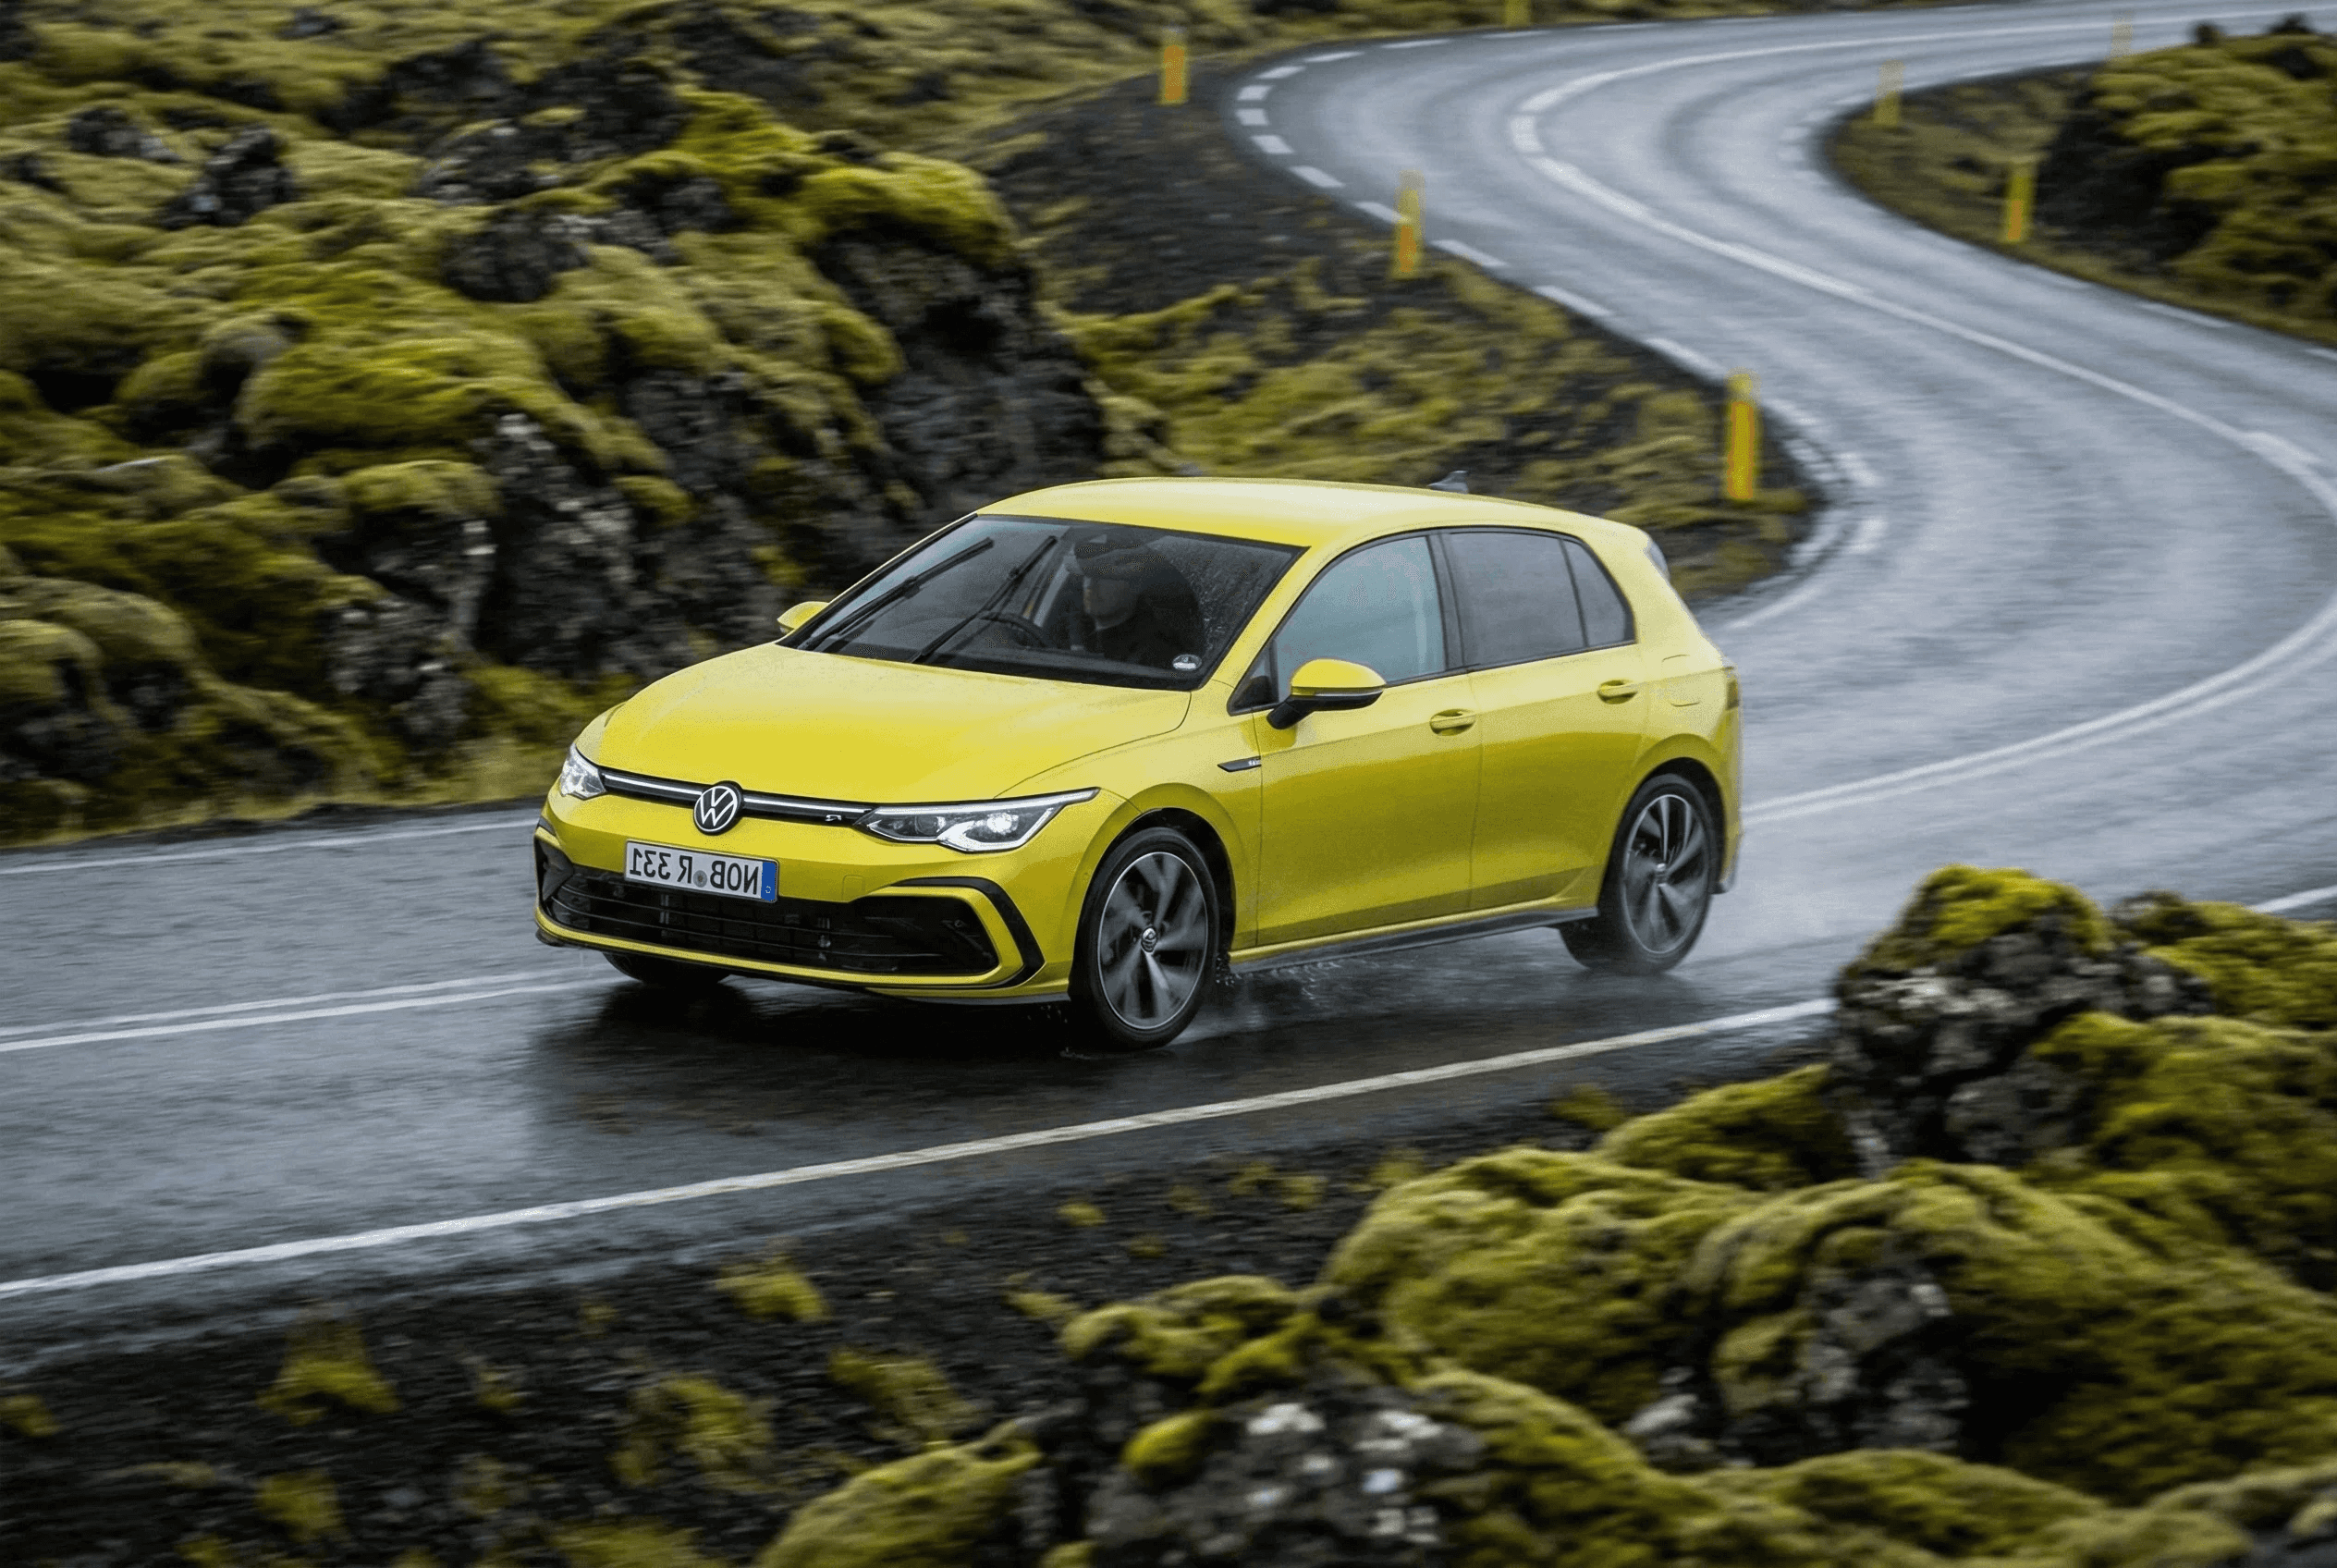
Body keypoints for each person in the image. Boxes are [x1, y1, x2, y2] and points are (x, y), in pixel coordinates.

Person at [1071, 530, 1205, 669]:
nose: (1091, 584)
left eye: (1107, 577)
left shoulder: (1156, 655)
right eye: (1087, 575)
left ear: (1136, 585)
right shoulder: (1065, 637)